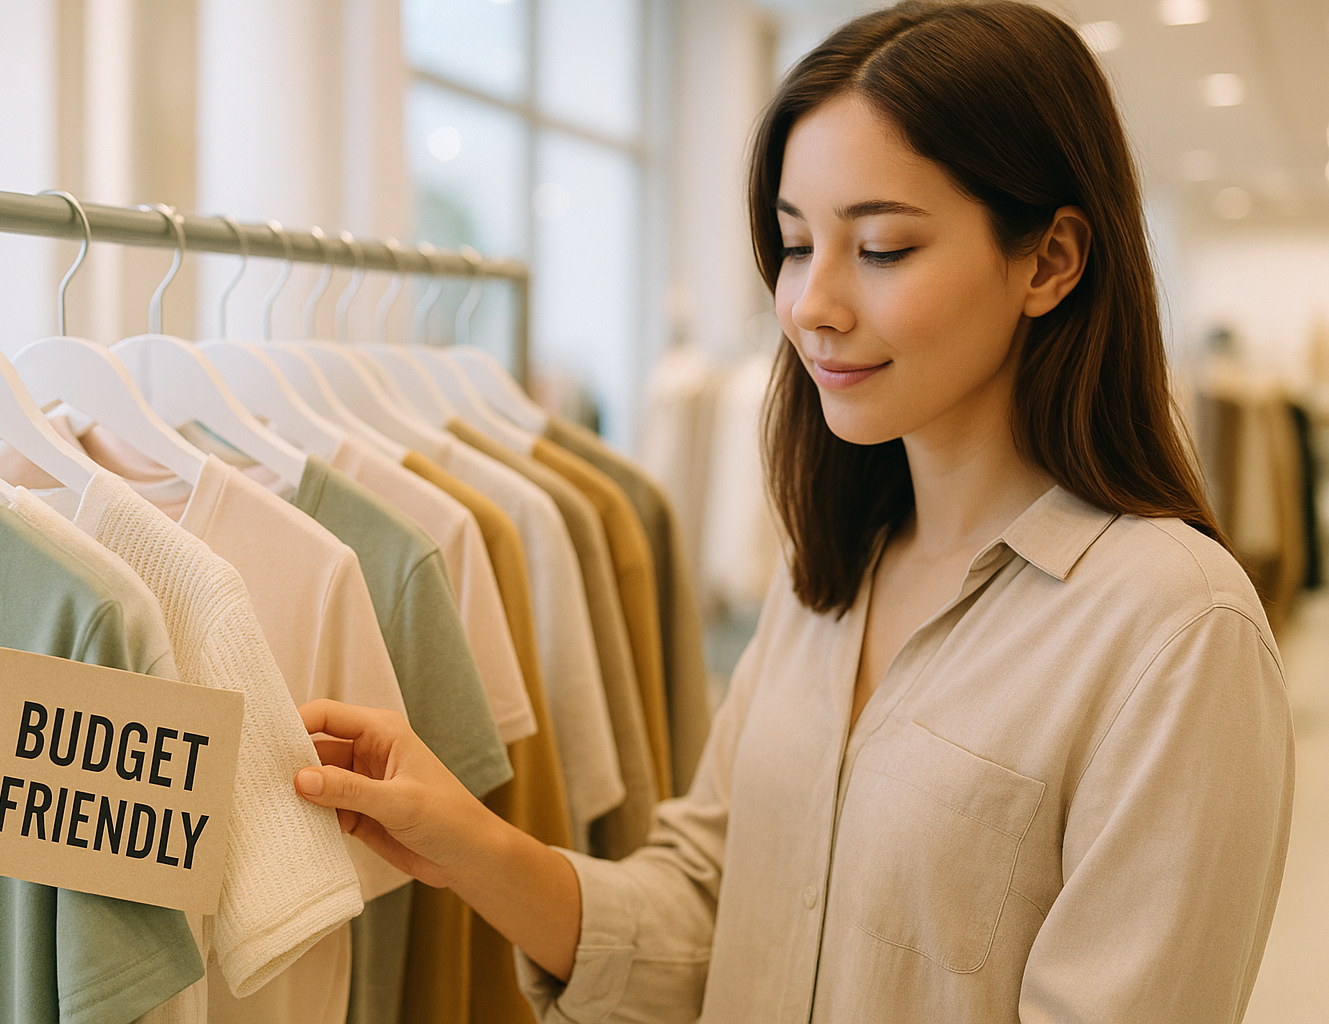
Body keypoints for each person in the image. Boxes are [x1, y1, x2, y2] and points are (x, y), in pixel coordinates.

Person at [292, 2, 1295, 1020]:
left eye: (884, 248)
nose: (812, 303)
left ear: (1050, 261)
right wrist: (468, 843)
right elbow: (712, 913)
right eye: (793, 242)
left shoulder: (1174, 630)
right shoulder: (828, 576)